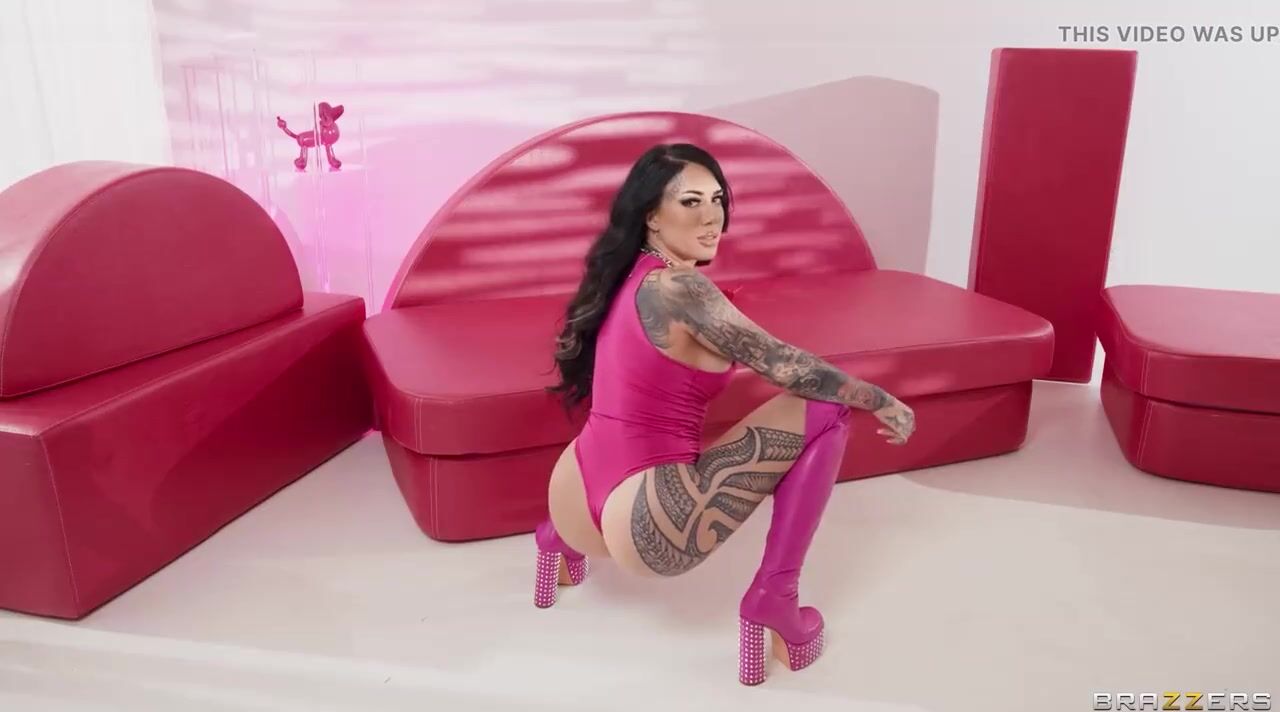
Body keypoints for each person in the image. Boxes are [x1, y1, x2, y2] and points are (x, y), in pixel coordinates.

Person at [535, 143, 915, 685]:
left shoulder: (622, 273)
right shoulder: (682, 288)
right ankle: (776, 599)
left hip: (573, 496)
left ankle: (555, 548)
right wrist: (880, 398)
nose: (712, 217)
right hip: (646, 522)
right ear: (652, 214)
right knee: (829, 407)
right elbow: (789, 367)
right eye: (690, 202)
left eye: (717, 200)